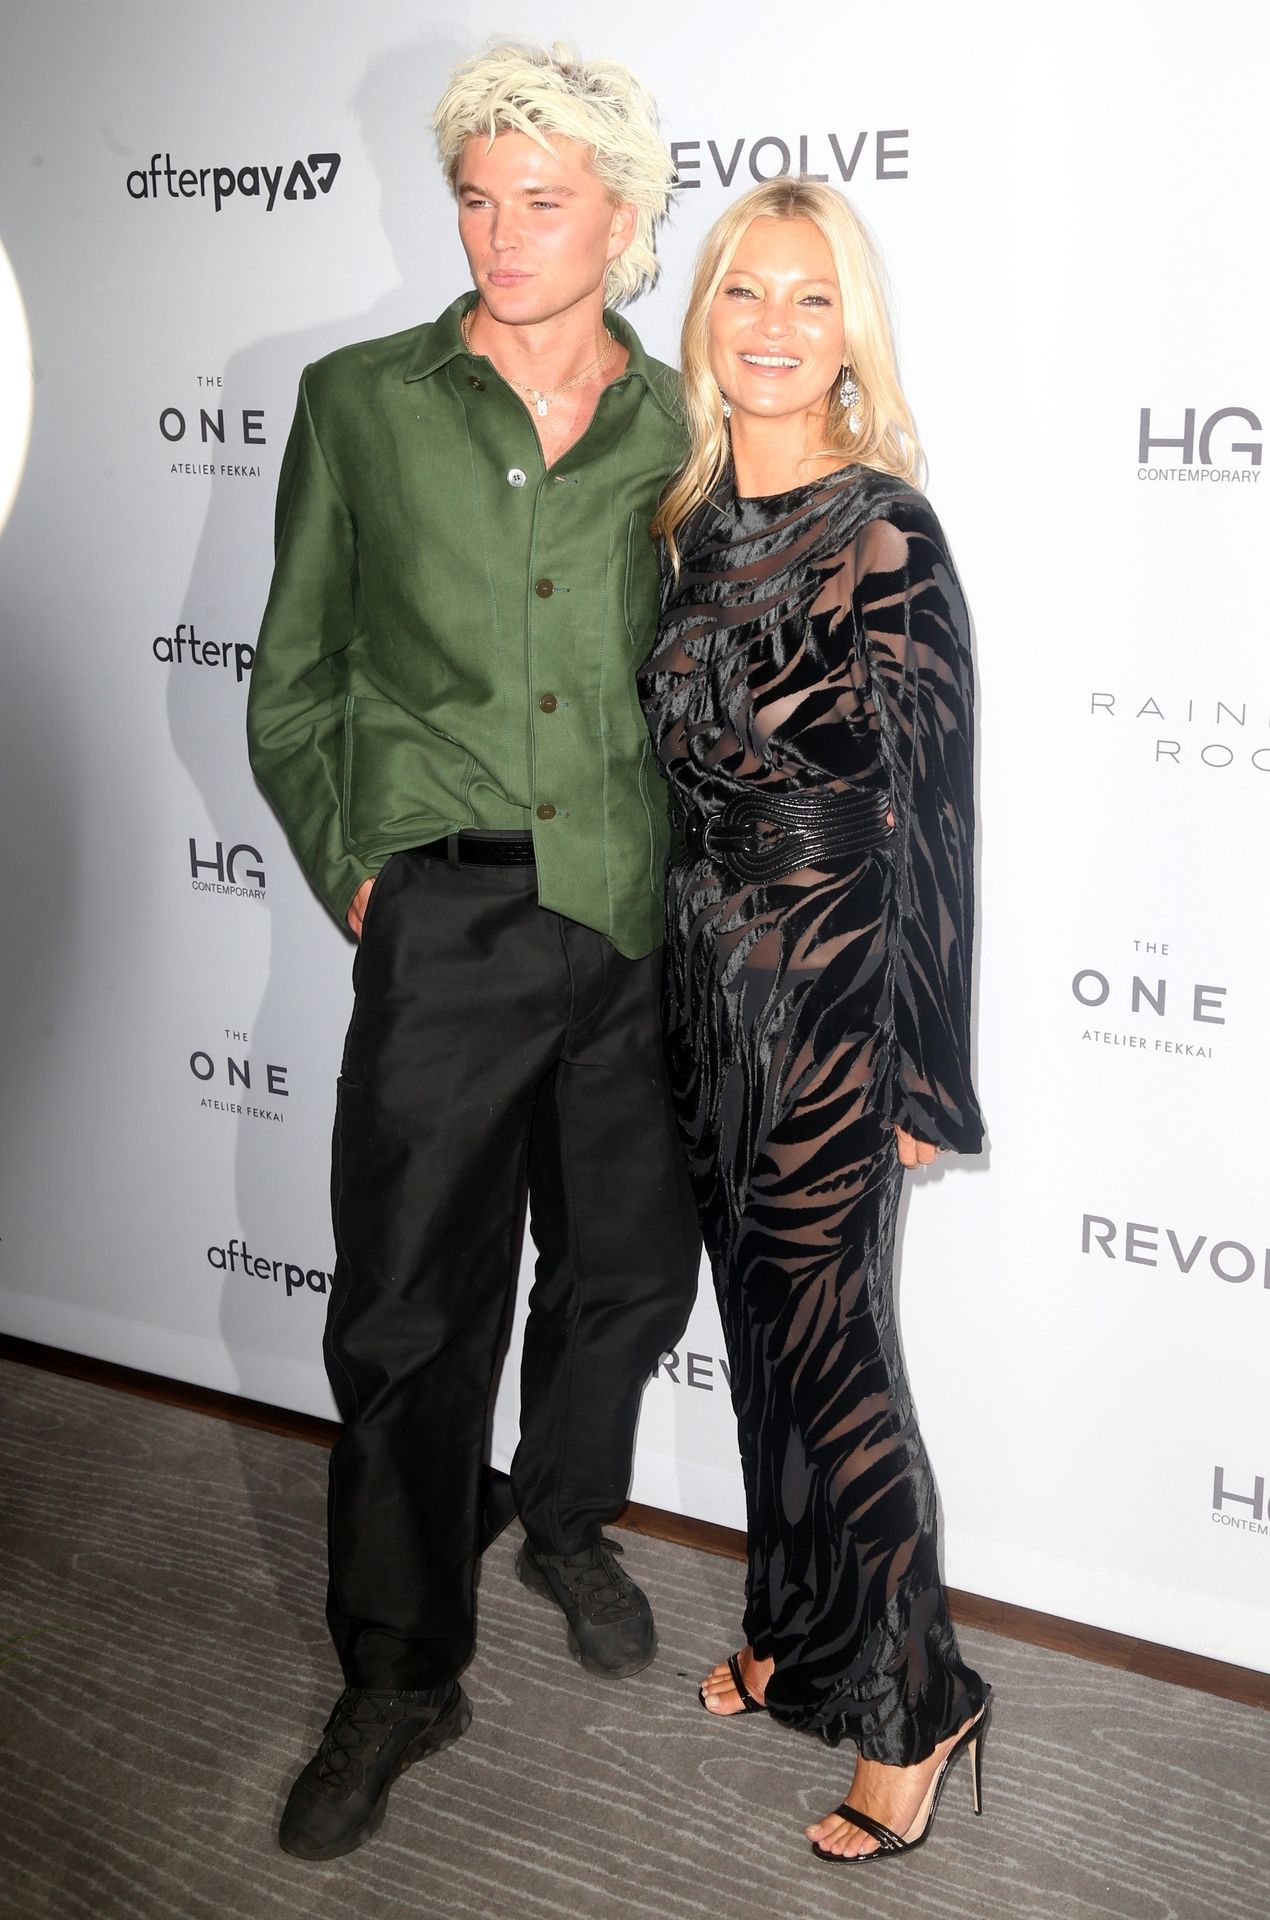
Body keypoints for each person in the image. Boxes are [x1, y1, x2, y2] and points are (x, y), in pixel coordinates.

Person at [247, 42, 700, 1861]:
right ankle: (398, 1672)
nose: (503, 234)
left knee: (621, 1273)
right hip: (445, 919)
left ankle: (564, 1519)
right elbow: (295, 676)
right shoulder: (358, 400)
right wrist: (361, 871)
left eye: (544, 201)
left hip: (635, 914)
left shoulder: (686, 422)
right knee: (408, 1315)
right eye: (478, 199)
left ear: (622, 217)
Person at [639, 178, 990, 1865]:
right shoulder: (685, 525)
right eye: (742, 293)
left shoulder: (884, 532)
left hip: (839, 993)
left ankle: (916, 1700)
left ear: (850, 334)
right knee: (762, 1336)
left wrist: (923, 1069)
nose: (771, 328)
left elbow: (935, 818)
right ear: (703, 316)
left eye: (809, 299)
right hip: (705, 985)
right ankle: (794, 1631)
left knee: (836, 1355)